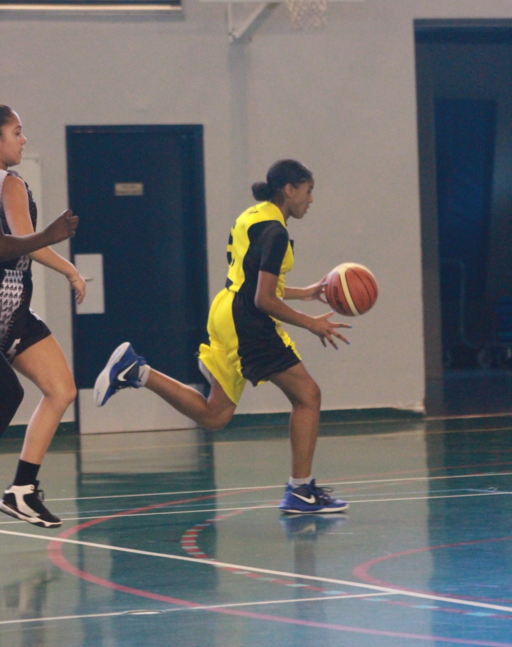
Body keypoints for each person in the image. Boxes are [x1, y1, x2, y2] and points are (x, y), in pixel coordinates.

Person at [94, 159, 350, 513]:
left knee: (215, 415)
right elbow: (263, 299)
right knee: (308, 395)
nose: (311, 200)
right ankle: (300, 490)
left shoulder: (254, 215)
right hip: (248, 322)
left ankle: (137, 371)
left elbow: (251, 282)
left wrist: (303, 293)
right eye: (308, 191)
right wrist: (311, 323)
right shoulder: (277, 233)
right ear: (289, 190)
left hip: (227, 311)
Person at [0, 105, 86, 528]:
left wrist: (62, 261)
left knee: (61, 388)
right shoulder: (10, 182)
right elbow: (22, 241)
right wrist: (63, 259)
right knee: (8, 396)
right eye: (17, 131)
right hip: (5, 307)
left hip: (14, 312)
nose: (24, 139)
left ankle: (22, 490)